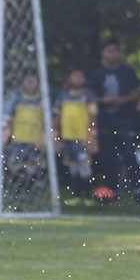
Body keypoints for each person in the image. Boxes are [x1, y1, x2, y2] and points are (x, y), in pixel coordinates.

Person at [87, 39, 139, 196]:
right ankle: (112, 189)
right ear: (103, 54)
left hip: (124, 118)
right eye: (108, 51)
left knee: (129, 152)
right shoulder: (98, 73)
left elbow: (136, 93)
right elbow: (92, 95)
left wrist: (120, 100)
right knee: (108, 154)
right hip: (105, 119)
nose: (112, 54)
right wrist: (103, 101)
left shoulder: (128, 72)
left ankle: (138, 187)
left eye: (115, 50)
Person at [53, 69, 97, 206]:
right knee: (73, 167)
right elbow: (57, 116)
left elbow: (92, 116)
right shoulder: (63, 96)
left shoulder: (88, 95)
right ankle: (77, 196)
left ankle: (89, 196)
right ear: (69, 79)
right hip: (67, 137)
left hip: (83, 136)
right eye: (74, 76)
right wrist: (55, 133)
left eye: (80, 76)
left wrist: (91, 134)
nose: (77, 79)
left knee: (84, 166)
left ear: (84, 79)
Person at [3, 73, 47, 207]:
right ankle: (15, 194)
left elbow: (47, 121)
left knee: (32, 168)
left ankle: (28, 195)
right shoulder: (16, 99)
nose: (30, 84)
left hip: (35, 139)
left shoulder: (42, 100)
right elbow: (10, 119)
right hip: (19, 138)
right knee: (15, 166)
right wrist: (7, 133)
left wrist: (44, 137)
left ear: (38, 83)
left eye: (32, 81)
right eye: (27, 81)